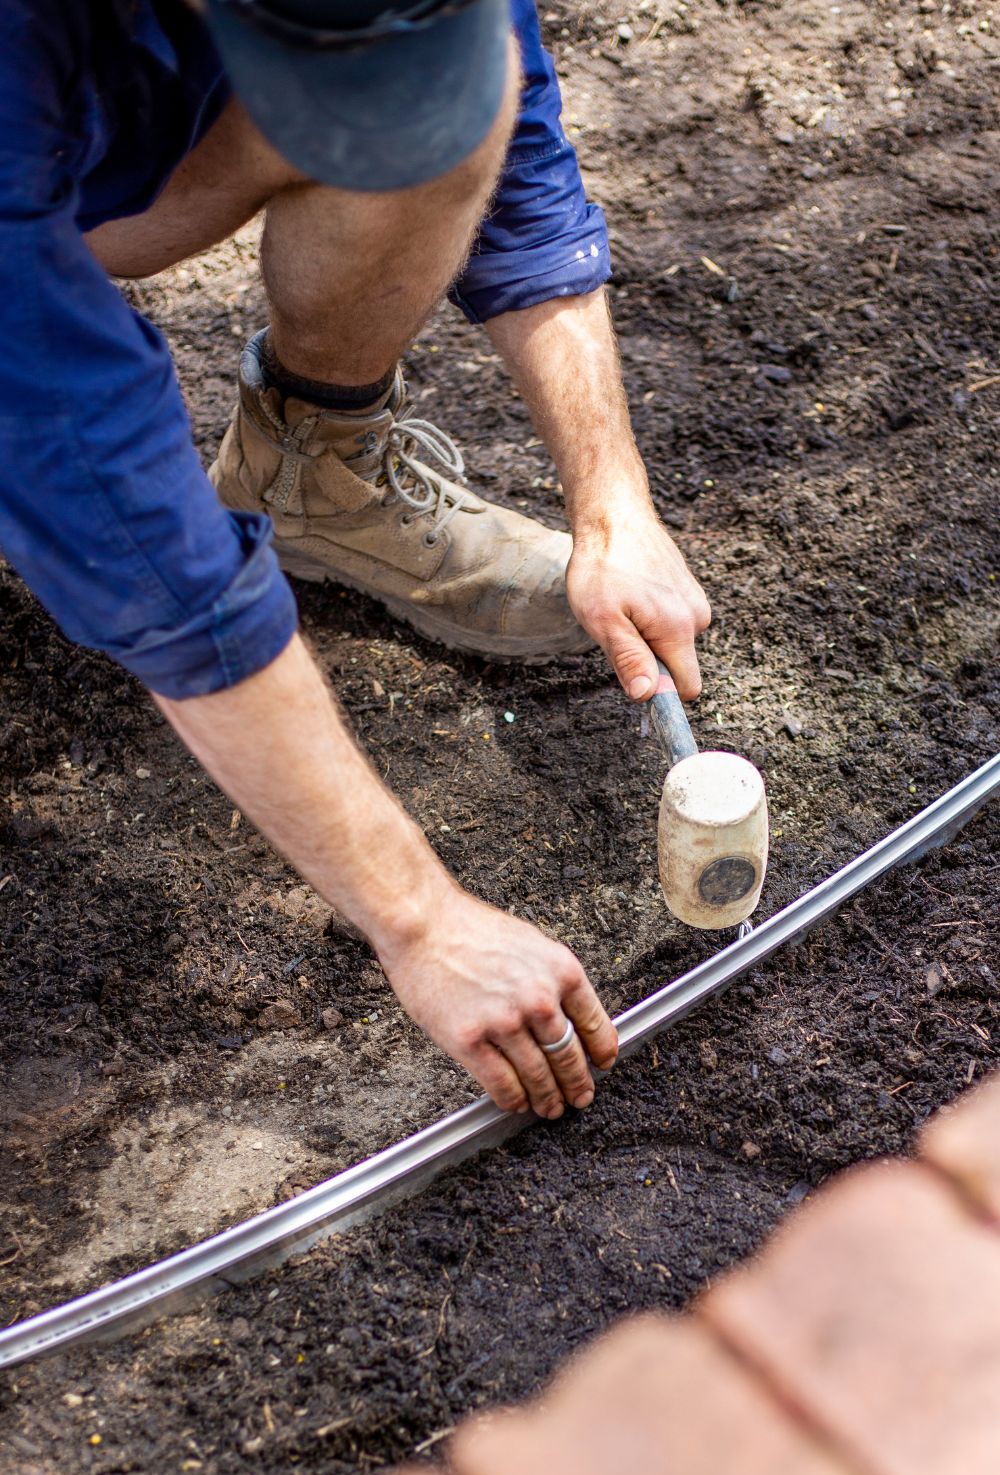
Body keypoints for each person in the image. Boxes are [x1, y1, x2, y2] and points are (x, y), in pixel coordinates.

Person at [0, 0, 710, 1120]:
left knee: (458, 120)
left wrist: (612, 502)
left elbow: (516, 143)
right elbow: (126, 516)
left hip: (99, 108)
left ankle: (317, 480)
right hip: (29, 144)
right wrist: (420, 921)